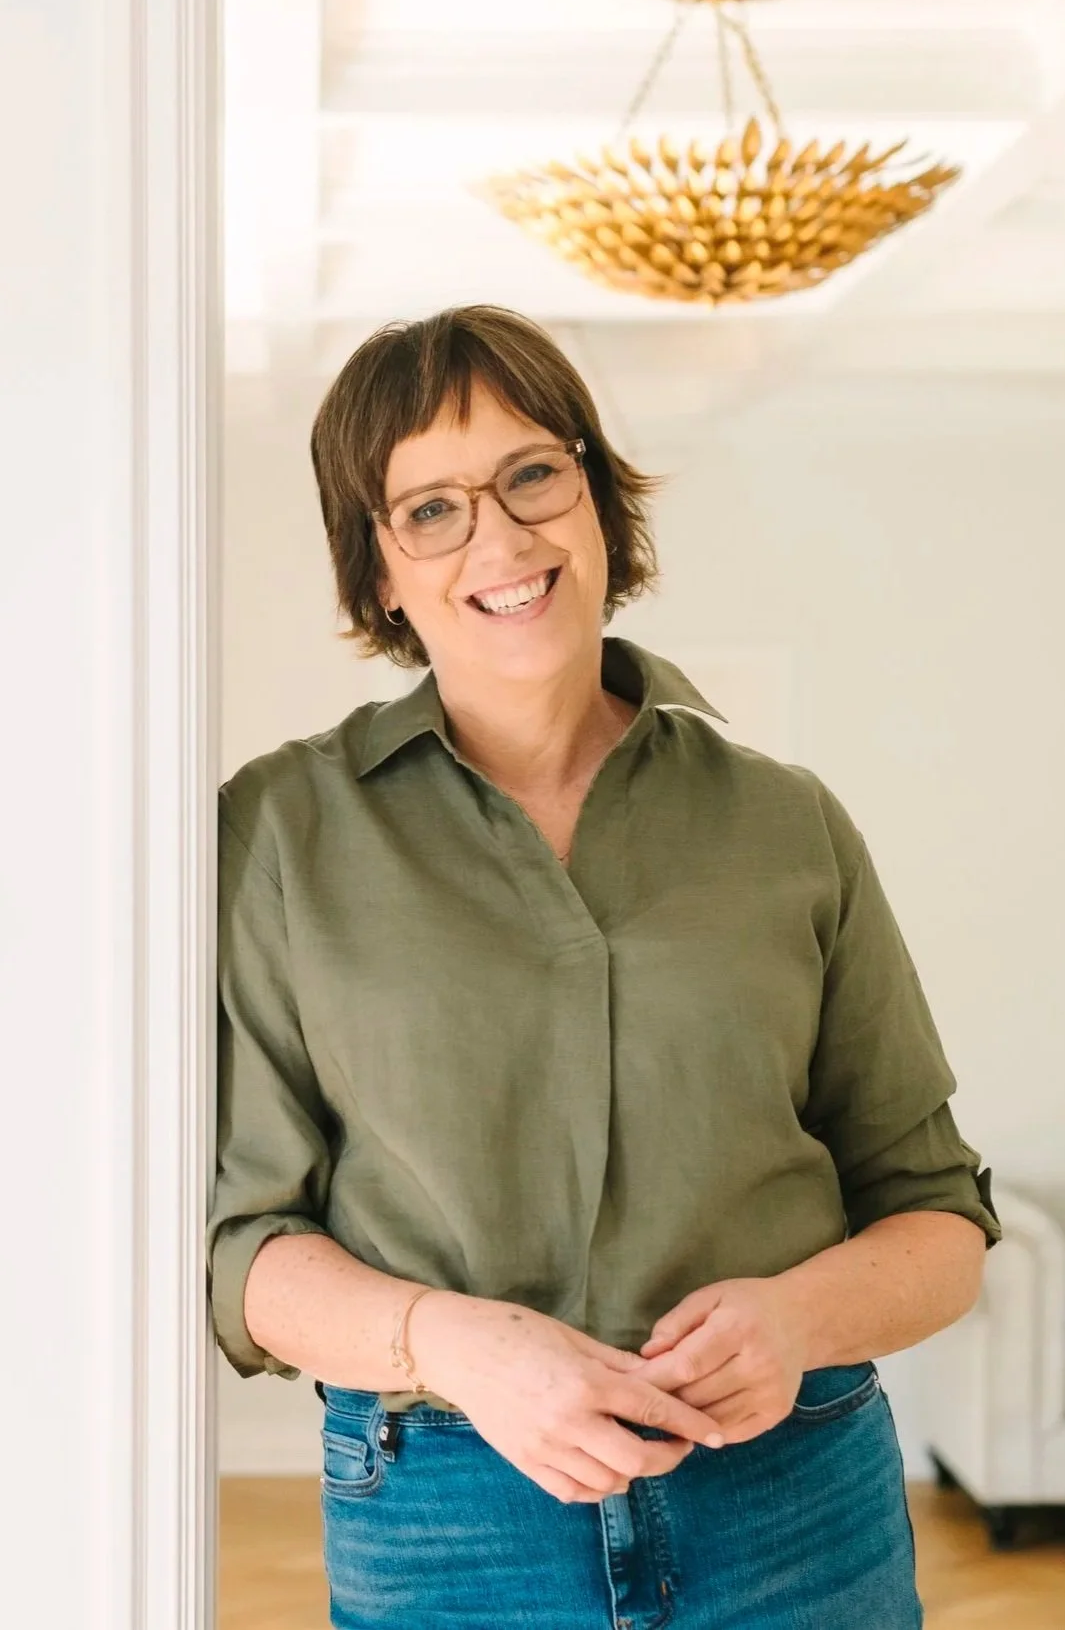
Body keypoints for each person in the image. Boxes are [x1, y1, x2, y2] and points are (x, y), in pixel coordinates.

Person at [209, 303, 1002, 1629]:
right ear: (379, 570)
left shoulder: (784, 821)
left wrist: (798, 1317)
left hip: (796, 1497)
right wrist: (457, 1342)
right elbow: (238, 1248)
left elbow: (935, 1220)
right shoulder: (278, 832)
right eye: (431, 508)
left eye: (532, 473)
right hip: (448, 1509)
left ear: (595, 496)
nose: (503, 539)